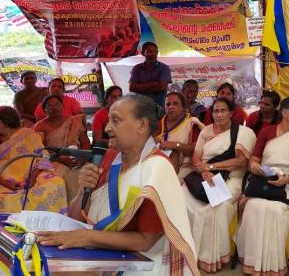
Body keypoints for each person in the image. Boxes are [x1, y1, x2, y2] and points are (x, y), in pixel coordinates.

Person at [37, 94, 199, 276]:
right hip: (99, 245)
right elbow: (78, 217)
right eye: (108, 121)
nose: (107, 128)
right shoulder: (109, 159)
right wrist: (83, 191)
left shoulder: (157, 168)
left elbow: (146, 241)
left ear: (142, 125)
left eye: (116, 121)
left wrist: (88, 237)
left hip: (139, 260)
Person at [235, 97, 289, 275]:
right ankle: (252, 262)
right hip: (265, 177)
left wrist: (286, 179)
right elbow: (254, 160)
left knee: (277, 210)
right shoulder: (267, 132)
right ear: (284, 113)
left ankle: (275, 264)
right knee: (254, 205)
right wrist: (255, 167)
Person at [183, 98, 256, 272]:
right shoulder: (206, 131)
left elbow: (240, 162)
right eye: (216, 111)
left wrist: (212, 167)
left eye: (223, 111)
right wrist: (204, 171)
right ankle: (189, 251)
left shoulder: (243, 132)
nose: (219, 114)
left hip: (232, 177)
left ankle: (211, 257)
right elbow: (196, 156)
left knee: (217, 207)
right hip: (204, 175)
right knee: (182, 199)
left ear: (231, 113)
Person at [0, 106, 67, 213]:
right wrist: (6, 183)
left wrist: (31, 178)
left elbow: (42, 158)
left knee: (55, 184)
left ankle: (46, 223)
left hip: (34, 174)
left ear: (5, 122)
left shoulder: (29, 135)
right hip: (1, 179)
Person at [33, 95, 90, 202]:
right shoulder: (39, 127)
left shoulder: (75, 121)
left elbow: (85, 141)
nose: (54, 108)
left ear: (62, 106)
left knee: (89, 173)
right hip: (54, 160)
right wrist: (61, 159)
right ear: (44, 110)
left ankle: (86, 207)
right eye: (49, 106)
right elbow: (41, 151)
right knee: (60, 180)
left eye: (57, 104)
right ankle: (68, 208)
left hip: (78, 157)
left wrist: (84, 156)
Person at [155, 92, 204, 183]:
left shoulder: (192, 122)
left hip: (187, 166)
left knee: (171, 185)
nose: (171, 107)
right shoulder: (159, 124)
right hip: (161, 164)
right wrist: (155, 141)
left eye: (175, 103)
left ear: (183, 107)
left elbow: (195, 150)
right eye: (168, 104)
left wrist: (176, 145)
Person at [129, 42, 172, 108]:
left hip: (158, 108)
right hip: (140, 107)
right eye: (150, 51)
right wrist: (152, 84)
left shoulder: (164, 67)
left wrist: (140, 89)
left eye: (155, 51)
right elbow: (132, 88)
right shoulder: (137, 68)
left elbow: (162, 87)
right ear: (143, 53)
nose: (153, 54)